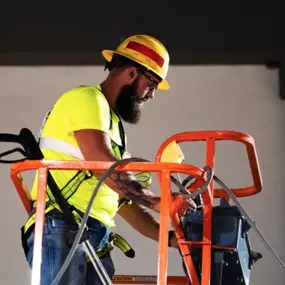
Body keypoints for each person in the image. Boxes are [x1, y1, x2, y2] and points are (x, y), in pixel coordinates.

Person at [21, 34, 197, 285]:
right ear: (132, 73)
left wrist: (171, 238)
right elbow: (102, 163)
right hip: (63, 226)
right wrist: (157, 202)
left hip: (90, 235)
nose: (151, 95)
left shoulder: (113, 128)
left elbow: (123, 203)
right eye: (152, 83)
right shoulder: (87, 99)